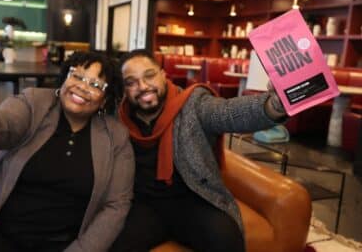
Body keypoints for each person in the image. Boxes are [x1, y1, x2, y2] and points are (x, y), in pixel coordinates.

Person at [0, 51, 135, 252]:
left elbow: (116, 205)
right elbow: (9, 121)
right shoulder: (35, 102)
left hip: (60, 244)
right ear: (65, 78)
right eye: (77, 76)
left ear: (105, 99)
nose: (83, 87)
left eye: (96, 85)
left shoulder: (116, 137)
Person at [111, 49, 287, 252]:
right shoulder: (118, 115)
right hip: (142, 204)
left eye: (149, 76)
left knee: (225, 240)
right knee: (114, 242)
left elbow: (228, 113)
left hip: (192, 199)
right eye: (131, 82)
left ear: (163, 74)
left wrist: (274, 105)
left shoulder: (193, 103)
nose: (142, 87)